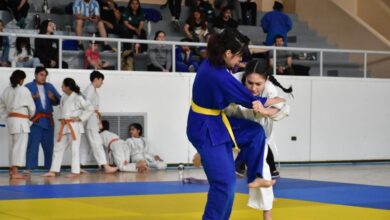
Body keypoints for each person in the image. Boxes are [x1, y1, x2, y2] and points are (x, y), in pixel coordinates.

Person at [186, 29, 285, 220]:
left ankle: (254, 174)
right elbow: (248, 99)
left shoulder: (215, 63)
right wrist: (274, 100)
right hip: (205, 129)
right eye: (239, 56)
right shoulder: (218, 75)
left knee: (255, 132)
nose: (240, 61)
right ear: (228, 53)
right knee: (224, 185)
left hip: (216, 122)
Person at [225, 60, 292, 220]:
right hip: (235, 133)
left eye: (258, 84)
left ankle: (267, 216)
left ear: (266, 79)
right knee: (225, 180)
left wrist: (264, 110)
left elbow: (284, 106)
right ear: (245, 77)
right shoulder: (234, 81)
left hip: (258, 136)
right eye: (250, 83)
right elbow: (222, 107)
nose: (254, 88)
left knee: (264, 175)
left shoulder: (269, 89)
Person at [43, 78, 94, 178]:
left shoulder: (78, 96)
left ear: (67, 87)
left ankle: (75, 172)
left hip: (74, 126)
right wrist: (61, 118)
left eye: (63, 85)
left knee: (74, 149)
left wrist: (80, 117)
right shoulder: (63, 97)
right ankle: (54, 170)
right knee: (58, 147)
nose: (61, 87)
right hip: (64, 126)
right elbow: (63, 111)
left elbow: (90, 108)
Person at [25, 67, 61, 173]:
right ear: (35, 75)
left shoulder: (49, 86)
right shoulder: (28, 87)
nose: (43, 77)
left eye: (45, 75)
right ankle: (29, 168)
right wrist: (32, 97)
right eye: (41, 75)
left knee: (49, 146)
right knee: (33, 145)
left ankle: (50, 168)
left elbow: (57, 101)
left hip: (48, 121)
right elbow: (22, 102)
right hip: (35, 121)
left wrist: (52, 97)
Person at [0, 70, 35, 179]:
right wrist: (30, 116)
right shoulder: (24, 90)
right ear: (21, 79)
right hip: (21, 122)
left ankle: (11, 170)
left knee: (12, 146)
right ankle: (15, 172)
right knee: (19, 147)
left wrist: (7, 117)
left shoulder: (6, 90)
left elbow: (2, 108)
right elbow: (32, 108)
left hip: (11, 121)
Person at [82, 71, 118, 173]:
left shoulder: (91, 90)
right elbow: (85, 106)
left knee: (84, 144)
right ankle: (106, 166)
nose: (102, 83)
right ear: (96, 79)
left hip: (91, 119)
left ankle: (78, 166)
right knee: (97, 143)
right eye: (101, 80)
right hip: (90, 120)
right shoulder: (90, 90)